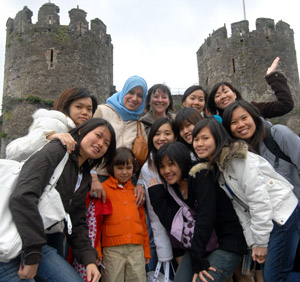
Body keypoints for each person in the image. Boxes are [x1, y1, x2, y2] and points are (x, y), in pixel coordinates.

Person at [0, 118, 116, 282]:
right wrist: (33, 254)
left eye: (106, 143)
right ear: (82, 131)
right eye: (98, 135)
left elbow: (76, 222)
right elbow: (23, 196)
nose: (100, 144)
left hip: (37, 243)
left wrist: (89, 260)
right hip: (11, 237)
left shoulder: (84, 177)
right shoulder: (58, 150)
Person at [192, 117, 300, 282]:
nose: (199, 144)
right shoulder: (221, 167)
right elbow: (241, 209)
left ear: (218, 137)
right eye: (196, 139)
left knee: (276, 277)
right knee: (273, 275)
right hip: (272, 219)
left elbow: (259, 200)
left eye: (205, 138)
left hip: (282, 214)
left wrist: (261, 242)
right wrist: (253, 243)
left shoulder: (240, 160)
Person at [147, 142, 247, 282]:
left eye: (171, 164)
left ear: (181, 161)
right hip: (201, 246)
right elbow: (174, 226)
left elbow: (206, 218)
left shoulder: (201, 175)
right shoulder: (172, 188)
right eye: (162, 166)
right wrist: (157, 197)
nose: (166, 170)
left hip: (226, 242)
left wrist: (198, 259)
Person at [96, 147, 151, 282]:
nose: (125, 172)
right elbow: (96, 222)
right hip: (112, 251)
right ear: (111, 167)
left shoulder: (136, 191)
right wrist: (97, 249)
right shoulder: (103, 189)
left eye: (128, 168)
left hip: (136, 249)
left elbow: (143, 222)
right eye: (120, 168)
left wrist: (146, 249)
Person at [92, 75, 148, 205]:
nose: (134, 98)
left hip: (127, 183)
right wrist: (93, 177)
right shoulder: (102, 111)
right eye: (131, 92)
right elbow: (87, 144)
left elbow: (145, 159)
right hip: (100, 179)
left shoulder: (138, 125)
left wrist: (140, 183)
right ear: (124, 91)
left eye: (140, 95)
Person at [6, 87, 98, 161]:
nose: (85, 112)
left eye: (89, 109)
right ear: (67, 107)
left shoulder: (77, 132)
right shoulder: (54, 123)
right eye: (79, 107)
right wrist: (48, 137)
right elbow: (12, 151)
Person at [138, 118, 177, 275]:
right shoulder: (149, 167)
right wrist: (164, 253)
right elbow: (155, 214)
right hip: (167, 222)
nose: (162, 138)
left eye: (167, 133)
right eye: (157, 134)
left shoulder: (185, 158)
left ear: (175, 136)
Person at [207, 57, 294, 118]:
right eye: (217, 96)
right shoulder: (216, 125)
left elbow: (286, 105)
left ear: (234, 94)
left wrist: (273, 77)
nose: (223, 96)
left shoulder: (254, 109)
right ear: (214, 103)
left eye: (225, 92)